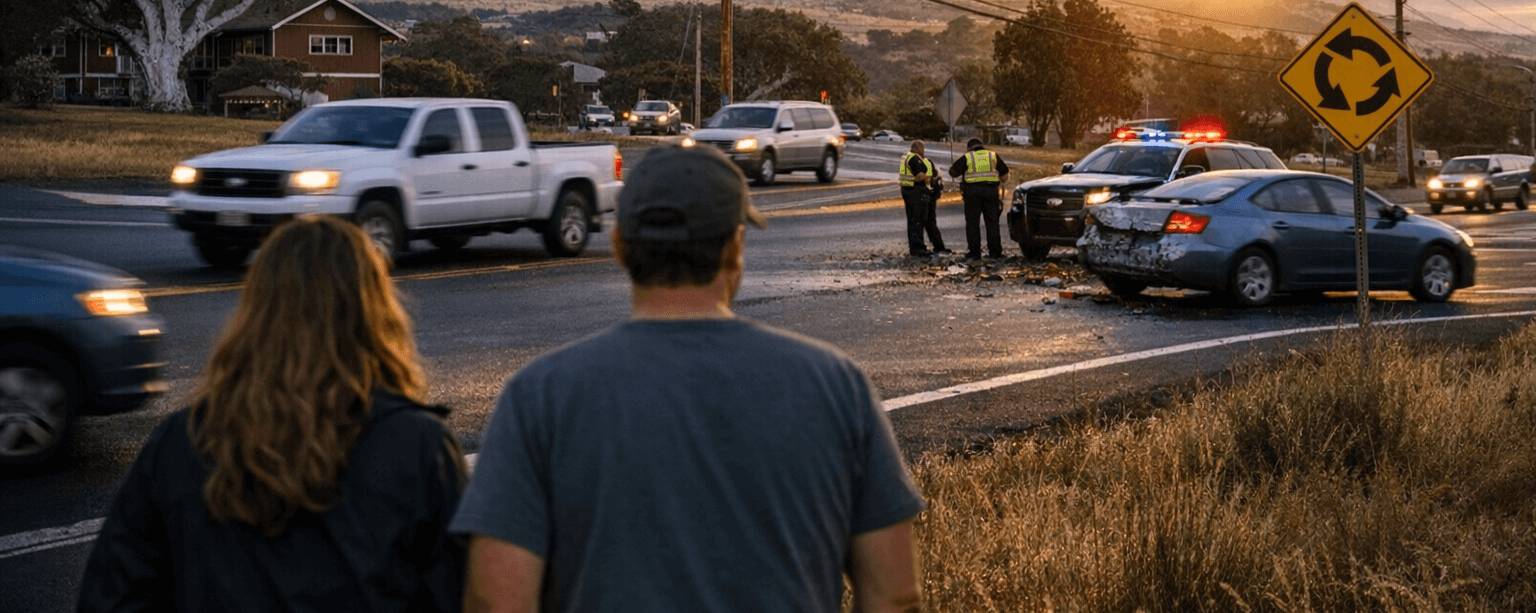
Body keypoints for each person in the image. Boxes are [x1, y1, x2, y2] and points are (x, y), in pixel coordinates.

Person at [454, 145, 925, 613]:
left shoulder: (539, 396)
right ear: (735, 247)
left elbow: (496, 598)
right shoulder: (836, 386)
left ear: (620, 246)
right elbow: (895, 593)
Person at [77, 216, 467, 613]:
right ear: (373, 311)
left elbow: (111, 598)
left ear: (256, 310)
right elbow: (464, 595)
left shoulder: (182, 442)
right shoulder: (420, 448)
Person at [950, 136, 1010, 260]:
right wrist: (998, 180)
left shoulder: (968, 157)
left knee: (973, 223)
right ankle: (995, 252)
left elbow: (953, 172)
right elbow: (1005, 174)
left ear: (969, 148)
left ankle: (974, 253)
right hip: (991, 192)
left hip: (972, 194)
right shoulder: (992, 155)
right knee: (992, 222)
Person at [898, 140, 935, 256]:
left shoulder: (906, 157)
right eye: (923, 149)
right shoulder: (914, 158)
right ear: (919, 149)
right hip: (916, 192)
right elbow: (920, 175)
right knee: (918, 220)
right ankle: (918, 248)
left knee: (912, 221)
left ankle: (915, 247)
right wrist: (927, 178)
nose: (924, 152)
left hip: (907, 190)